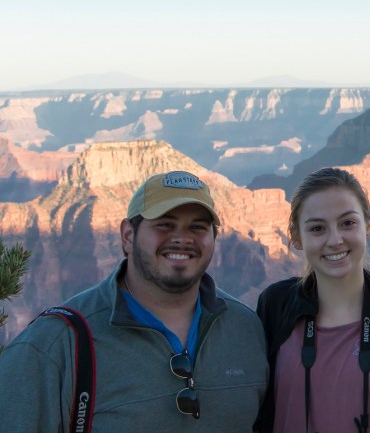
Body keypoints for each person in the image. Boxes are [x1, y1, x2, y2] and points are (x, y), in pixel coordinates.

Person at [0, 170, 269, 431]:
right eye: (164, 224)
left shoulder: (246, 328)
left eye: (197, 227)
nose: (182, 238)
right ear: (128, 235)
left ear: (213, 238)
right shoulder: (54, 344)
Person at [255, 167, 370, 433]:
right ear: (296, 238)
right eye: (317, 228)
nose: (335, 240)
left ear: (368, 225)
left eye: (347, 223)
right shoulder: (275, 306)